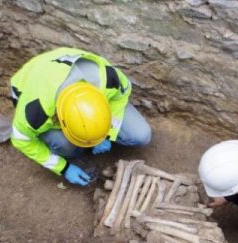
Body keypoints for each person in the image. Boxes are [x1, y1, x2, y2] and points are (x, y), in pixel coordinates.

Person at [9, 47, 151, 186]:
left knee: (141, 135)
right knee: (63, 144)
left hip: (65, 69)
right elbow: (21, 139)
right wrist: (63, 168)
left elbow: (120, 96)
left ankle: (86, 139)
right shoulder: (36, 112)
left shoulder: (107, 78)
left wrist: (107, 133)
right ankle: (74, 155)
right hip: (30, 85)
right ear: (60, 120)